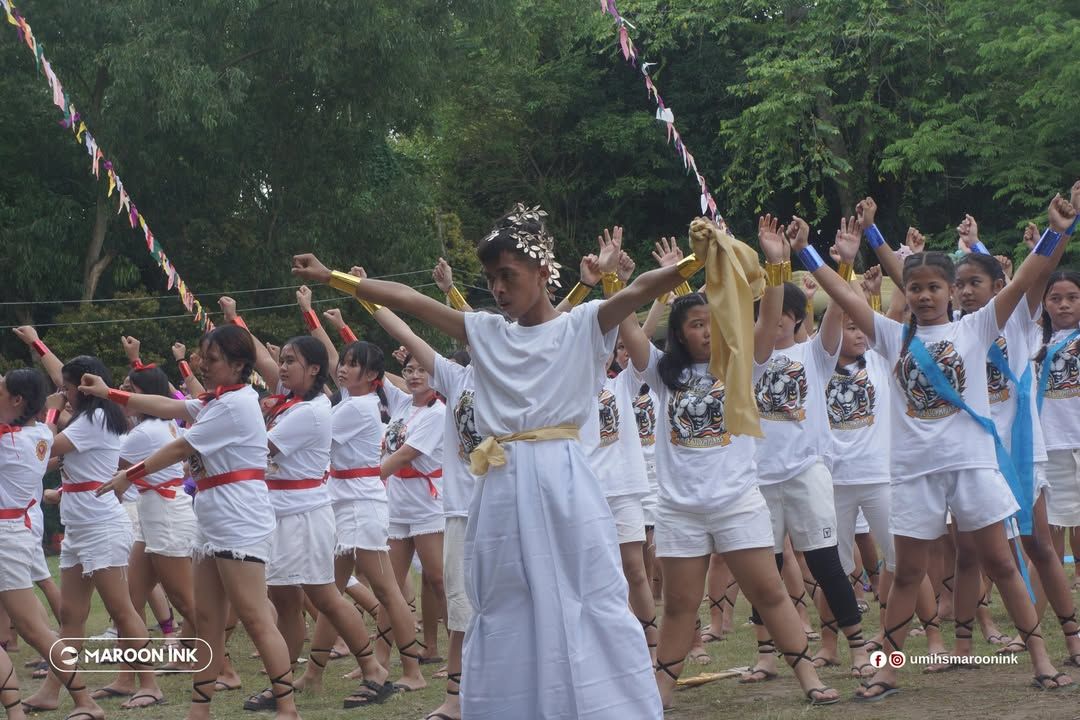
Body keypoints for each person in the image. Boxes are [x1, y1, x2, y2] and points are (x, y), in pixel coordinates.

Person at [290, 202, 713, 718]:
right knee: (504, 600)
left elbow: (639, 289)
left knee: (586, 593)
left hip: (564, 480)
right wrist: (333, 278)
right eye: (491, 279)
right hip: (501, 485)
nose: (498, 288)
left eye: (507, 276)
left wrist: (692, 262)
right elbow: (410, 300)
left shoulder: (581, 324)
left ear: (541, 272)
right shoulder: (485, 332)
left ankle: (603, 705)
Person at [793, 194, 1075, 699]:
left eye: (934, 288)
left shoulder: (978, 325)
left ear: (950, 292)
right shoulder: (889, 335)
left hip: (972, 466)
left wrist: (1057, 232)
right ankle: (888, 668)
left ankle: (1041, 657)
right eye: (916, 288)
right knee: (907, 575)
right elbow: (843, 292)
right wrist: (807, 255)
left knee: (1003, 563)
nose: (924, 297)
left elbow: (1028, 278)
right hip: (913, 473)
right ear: (907, 289)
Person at [617, 217, 840, 708]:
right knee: (678, 604)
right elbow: (628, 327)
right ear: (679, 333)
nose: (705, 331)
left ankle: (809, 680)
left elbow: (765, 322)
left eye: (712, 322)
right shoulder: (661, 374)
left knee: (770, 593)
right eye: (695, 324)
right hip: (679, 509)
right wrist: (621, 279)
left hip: (737, 502)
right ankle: (662, 692)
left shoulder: (742, 363)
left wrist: (777, 264)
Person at [84, 324, 301, 720]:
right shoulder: (220, 400)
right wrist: (108, 393)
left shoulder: (236, 404)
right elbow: (169, 404)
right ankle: (199, 709)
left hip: (240, 520)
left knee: (253, 617)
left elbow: (181, 445)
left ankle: (287, 707)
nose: (203, 365)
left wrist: (127, 475)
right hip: (213, 518)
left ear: (238, 365)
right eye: (202, 356)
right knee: (206, 619)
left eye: (212, 359)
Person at [11, 339, 164, 712]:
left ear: (83, 387)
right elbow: (45, 456)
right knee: (71, 616)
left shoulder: (95, 419)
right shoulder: (89, 417)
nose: (62, 393)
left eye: (66, 387)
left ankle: (150, 683)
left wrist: (46, 413)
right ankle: (52, 691)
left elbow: (45, 450)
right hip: (80, 524)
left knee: (121, 609)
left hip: (101, 524)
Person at [0, 367, 105, 720]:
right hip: (15, 533)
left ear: (16, 400)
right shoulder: (40, 434)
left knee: (35, 631)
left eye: (1, 389)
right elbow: (45, 419)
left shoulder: (8, 441)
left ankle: (84, 702)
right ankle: (23, 711)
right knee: (35, 630)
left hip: (5, 539)